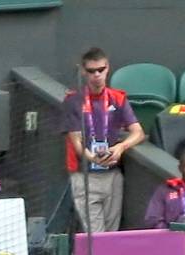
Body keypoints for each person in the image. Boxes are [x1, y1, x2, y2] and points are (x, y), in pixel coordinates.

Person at [61, 47, 145, 232]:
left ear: (108, 68)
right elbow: (75, 142)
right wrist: (92, 157)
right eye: (91, 71)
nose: (97, 75)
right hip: (85, 176)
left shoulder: (117, 98)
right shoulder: (73, 101)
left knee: (111, 235)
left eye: (101, 69)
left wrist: (121, 147)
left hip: (113, 174)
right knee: (96, 236)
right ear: (83, 72)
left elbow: (138, 132)